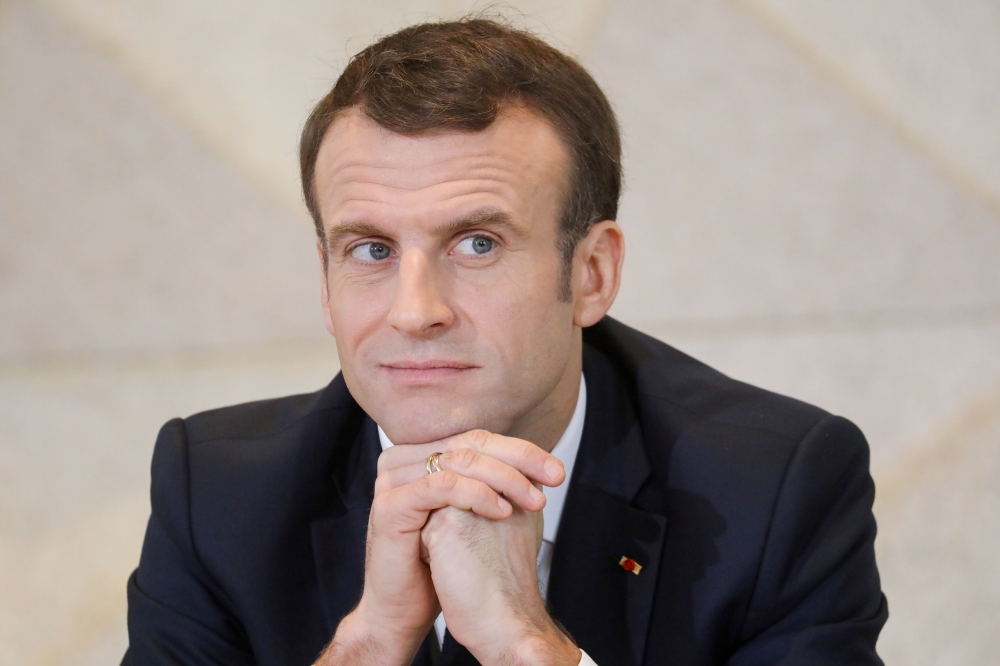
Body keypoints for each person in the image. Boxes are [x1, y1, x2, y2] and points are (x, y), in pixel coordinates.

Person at [122, 17, 887, 666]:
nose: (415, 311)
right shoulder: (217, 493)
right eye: (370, 250)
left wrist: (526, 646)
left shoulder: (774, 489)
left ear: (591, 273)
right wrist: (373, 640)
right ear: (324, 283)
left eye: (477, 244)